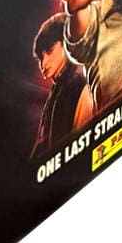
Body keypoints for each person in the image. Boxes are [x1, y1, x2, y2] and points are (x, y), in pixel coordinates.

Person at [31, 14, 94, 158]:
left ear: (66, 44)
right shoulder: (58, 90)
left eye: (50, 51)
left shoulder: (79, 85)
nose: (44, 63)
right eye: (40, 58)